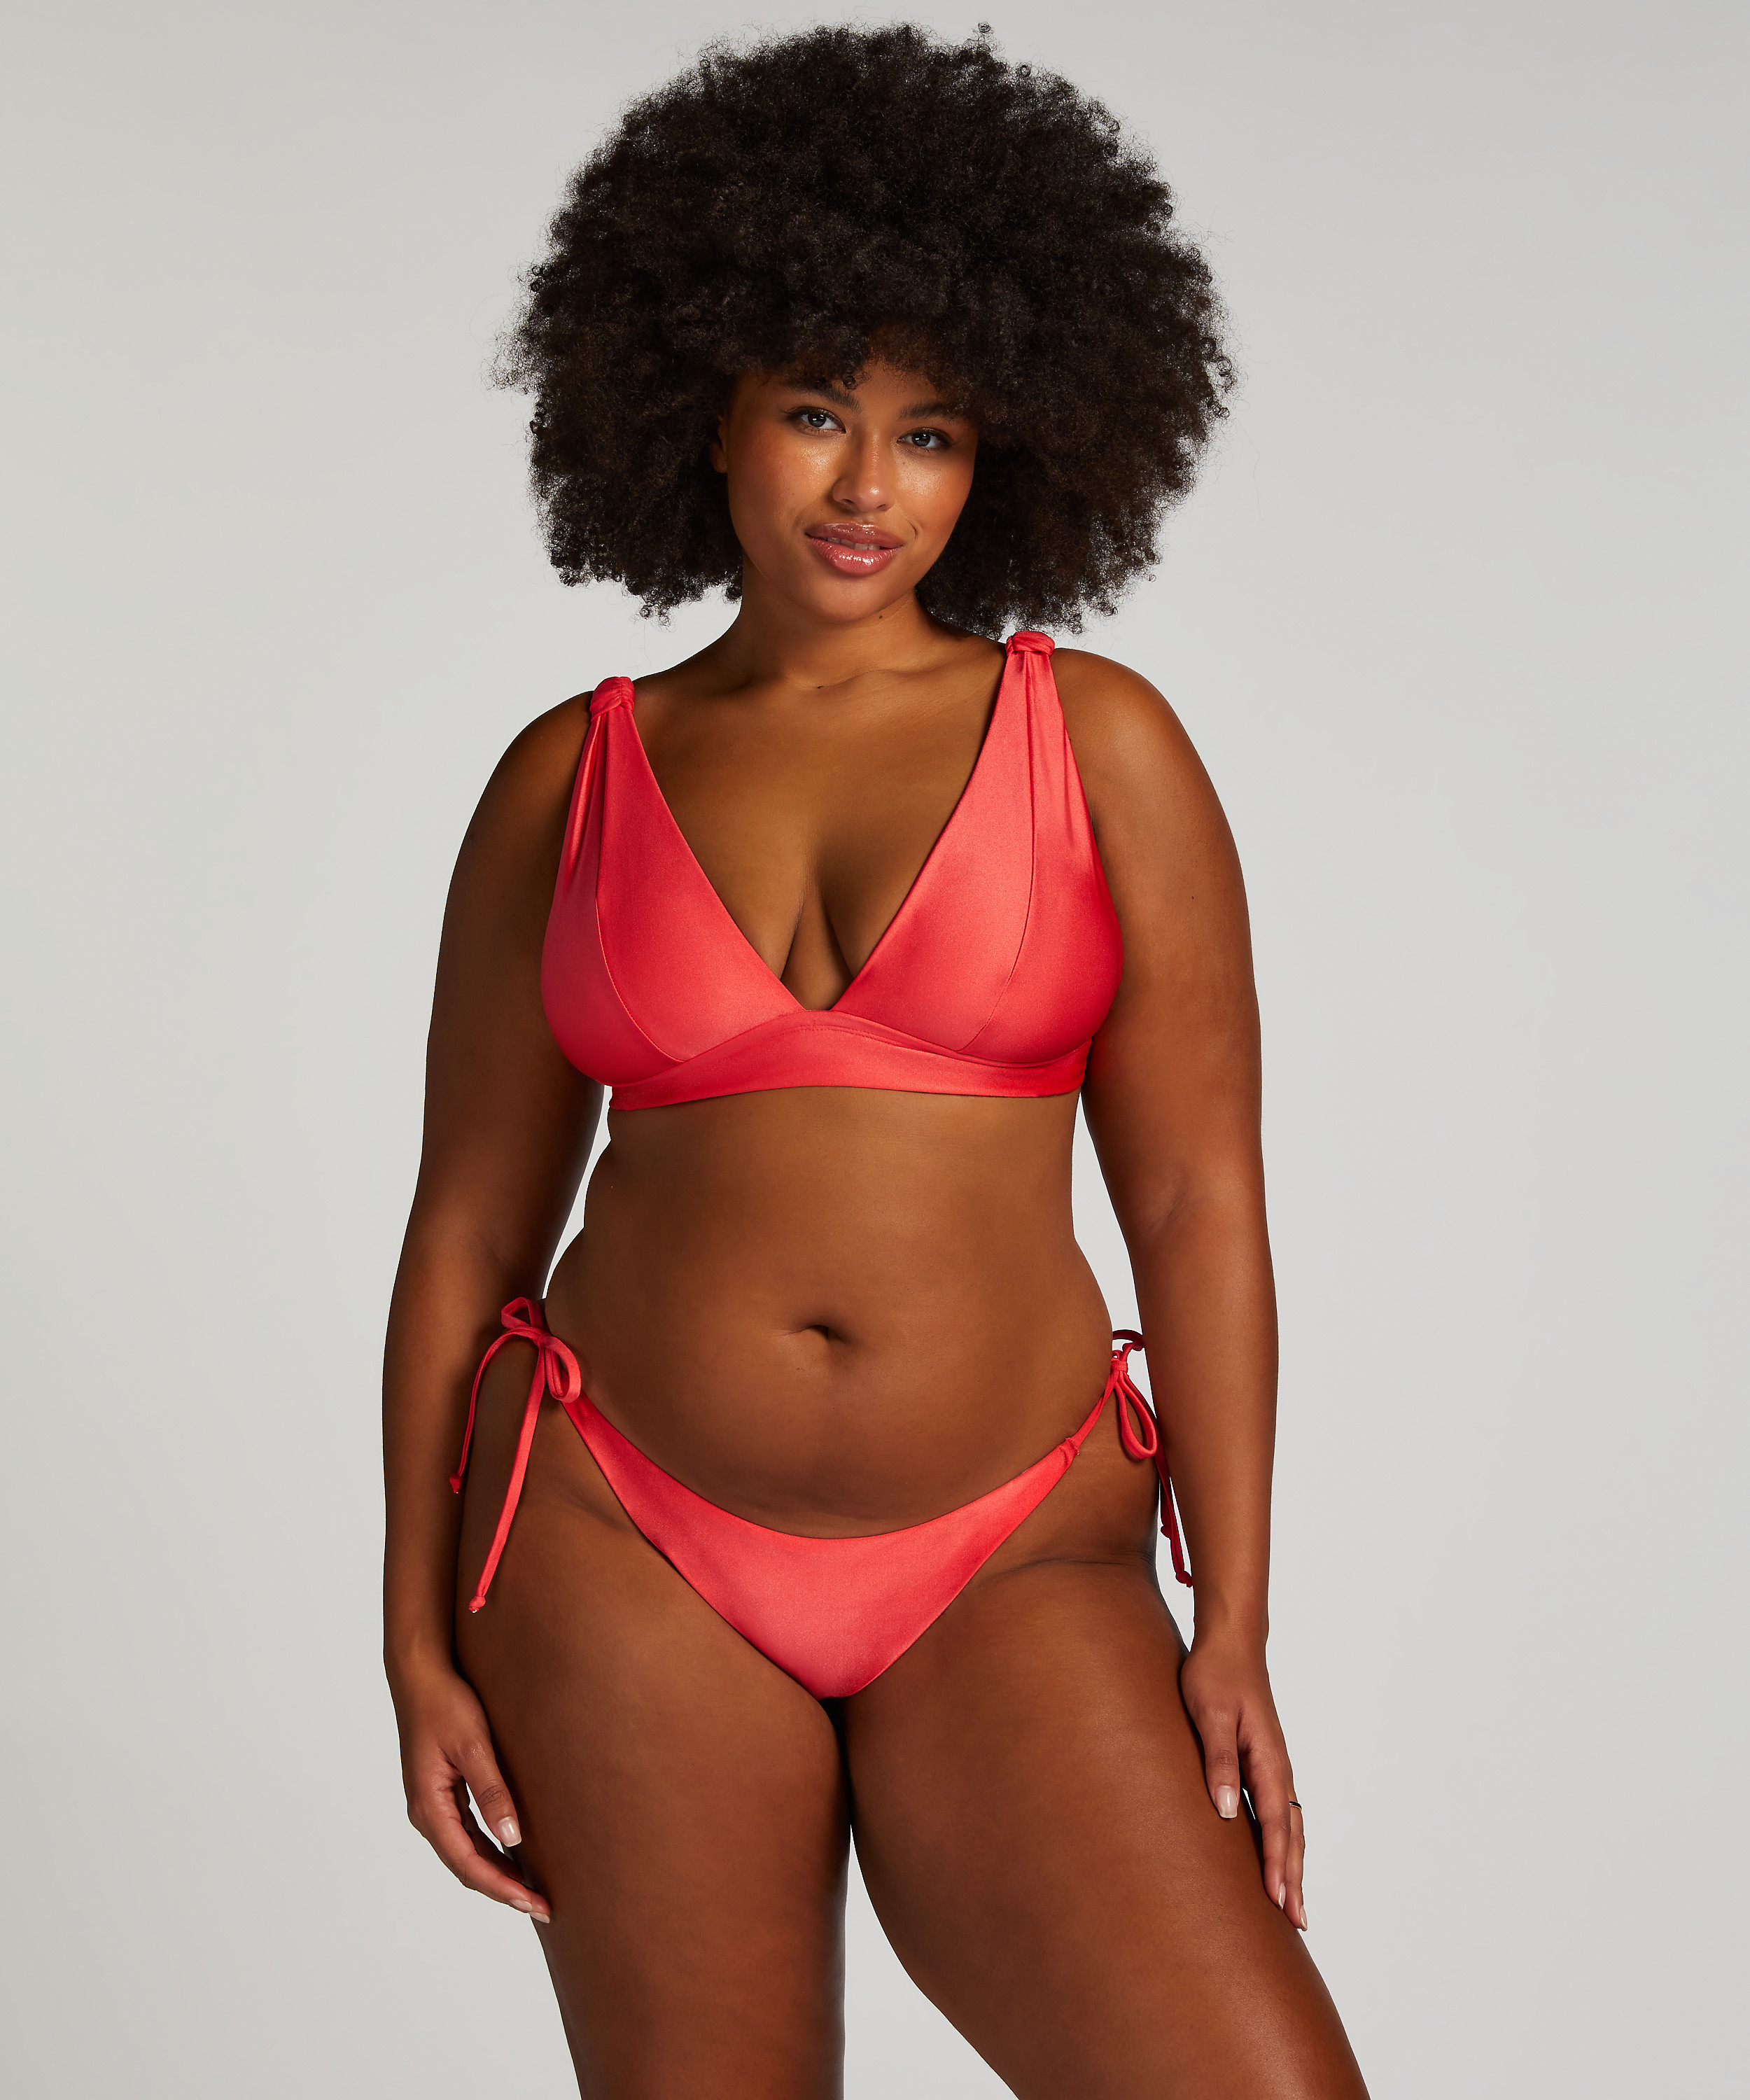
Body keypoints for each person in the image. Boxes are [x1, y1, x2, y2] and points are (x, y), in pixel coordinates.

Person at [384, 24, 1368, 2096]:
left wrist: (1236, 1620)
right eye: (817, 412)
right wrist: (410, 1634)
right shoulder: (570, 778)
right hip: (620, 1541)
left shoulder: (1099, 742)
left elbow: (1199, 1198)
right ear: (703, 410)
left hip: (1011, 1547)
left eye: (929, 434)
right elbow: (467, 1227)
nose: (865, 489)